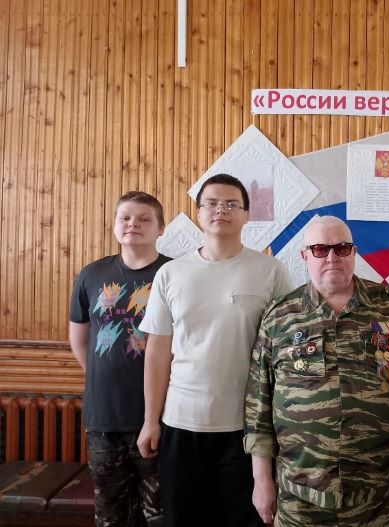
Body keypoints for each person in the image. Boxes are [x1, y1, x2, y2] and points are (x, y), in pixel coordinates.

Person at [244, 215, 389, 527]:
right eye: (320, 249)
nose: (332, 257)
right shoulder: (281, 316)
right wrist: (261, 479)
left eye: (342, 248)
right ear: (305, 256)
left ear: (354, 252)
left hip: (381, 496)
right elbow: (259, 402)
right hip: (301, 495)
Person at [136, 174, 292, 527]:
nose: (221, 210)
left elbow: (283, 352)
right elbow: (157, 353)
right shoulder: (171, 273)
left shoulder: (270, 271)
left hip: (247, 429)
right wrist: (150, 421)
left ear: (246, 215)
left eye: (231, 204)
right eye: (211, 203)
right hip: (180, 423)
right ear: (198, 213)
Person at [69, 191, 170, 526]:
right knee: (111, 514)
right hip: (104, 416)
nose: (133, 224)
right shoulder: (91, 274)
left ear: (161, 228)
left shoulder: (175, 273)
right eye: (125, 217)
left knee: (160, 513)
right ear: (114, 225)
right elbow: (79, 339)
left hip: (163, 414)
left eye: (144, 219)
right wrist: (106, 375)